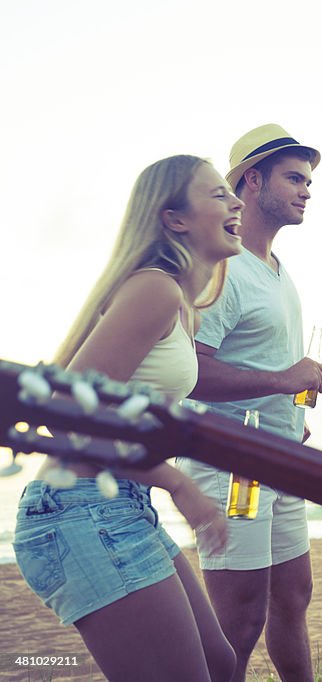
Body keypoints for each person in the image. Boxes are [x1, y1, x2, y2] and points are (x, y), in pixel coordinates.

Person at [13, 155, 241, 681]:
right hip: (78, 510)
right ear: (174, 218)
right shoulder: (154, 289)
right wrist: (176, 482)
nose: (235, 203)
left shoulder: (182, 303)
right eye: (218, 194)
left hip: (118, 505)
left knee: (221, 665)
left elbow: (134, 409)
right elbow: (66, 413)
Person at [179, 124, 322, 682]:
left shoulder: (277, 271)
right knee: (239, 621)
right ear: (252, 180)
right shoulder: (225, 267)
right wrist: (285, 380)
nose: (307, 190)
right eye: (294, 178)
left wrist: (291, 415)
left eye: (309, 180)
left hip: (279, 456)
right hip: (232, 465)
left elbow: (261, 369)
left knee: (295, 597)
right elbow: (191, 371)